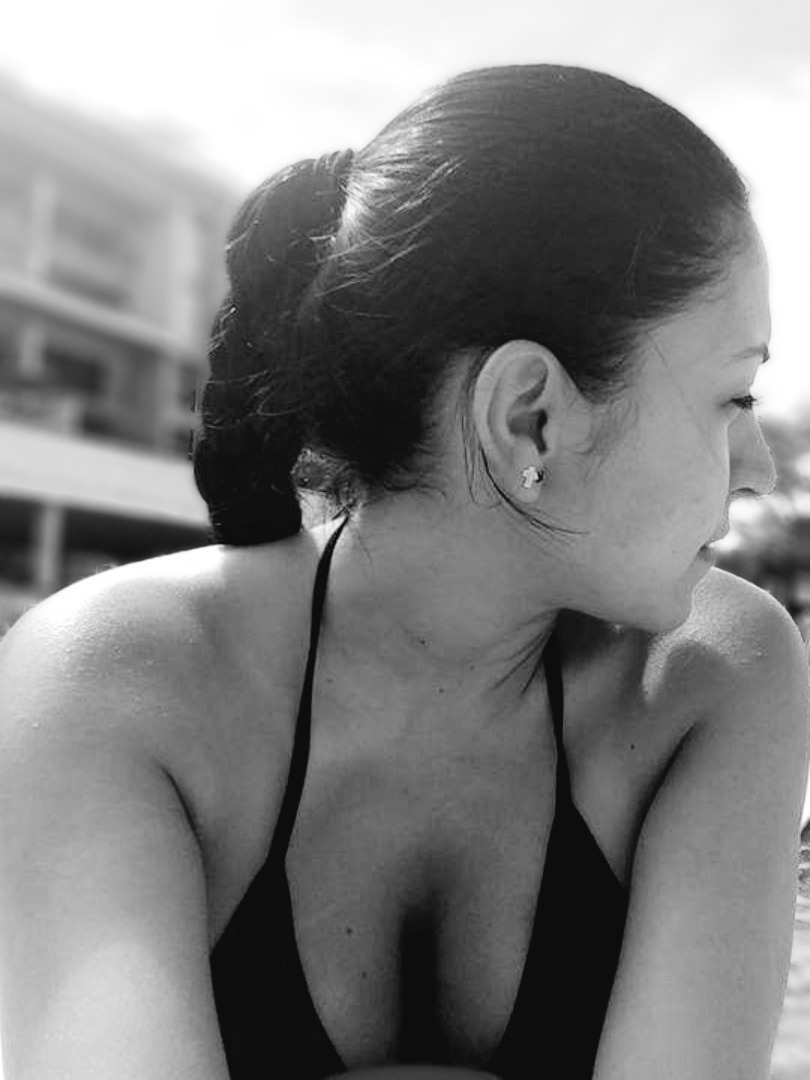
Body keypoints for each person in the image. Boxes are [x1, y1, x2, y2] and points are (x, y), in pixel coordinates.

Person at [0, 64, 808, 1080]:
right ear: (530, 416)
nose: (760, 467)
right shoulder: (109, 678)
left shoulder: (715, 675)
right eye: (735, 397)